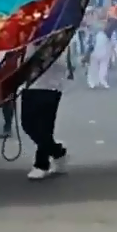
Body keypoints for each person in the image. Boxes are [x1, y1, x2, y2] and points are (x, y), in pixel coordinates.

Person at [21, 47, 69, 180]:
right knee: (27, 124)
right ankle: (57, 151)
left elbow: (61, 63)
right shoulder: (31, 38)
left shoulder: (58, 39)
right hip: (31, 85)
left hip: (51, 87)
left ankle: (41, 164)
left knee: (45, 127)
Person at [87, 23, 112, 89]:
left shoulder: (93, 35)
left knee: (93, 68)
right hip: (103, 54)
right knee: (102, 68)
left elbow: (89, 45)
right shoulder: (105, 35)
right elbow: (109, 45)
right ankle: (101, 80)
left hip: (95, 54)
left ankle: (93, 82)